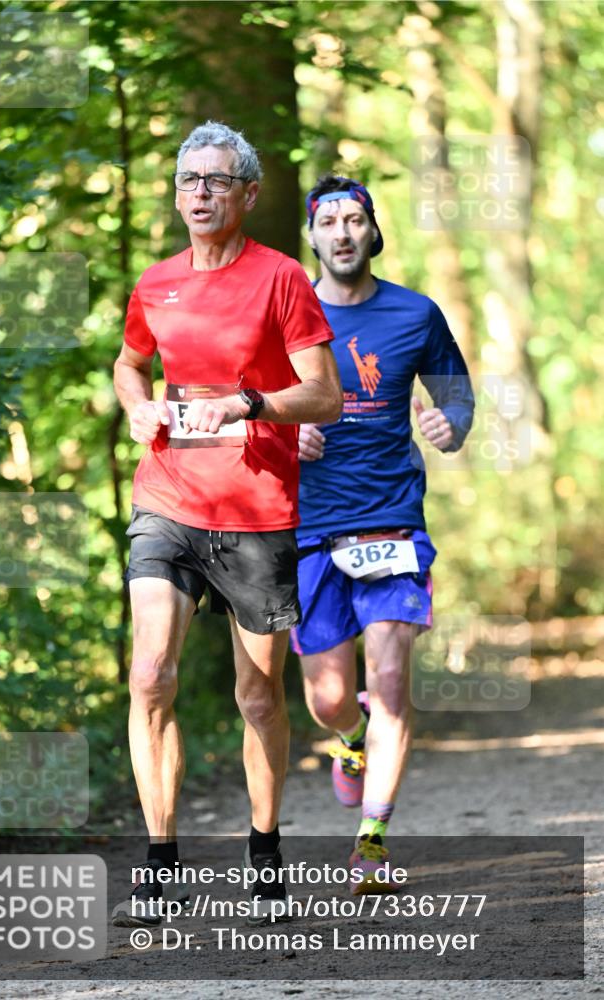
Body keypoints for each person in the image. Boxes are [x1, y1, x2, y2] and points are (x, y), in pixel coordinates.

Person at [110, 124, 341, 927]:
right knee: (149, 677)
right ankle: (161, 863)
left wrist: (249, 403)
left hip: (256, 512)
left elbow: (325, 396)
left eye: (216, 180)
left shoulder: (280, 279)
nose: (199, 192)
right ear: (176, 195)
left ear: (246, 194)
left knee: (256, 695)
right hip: (167, 499)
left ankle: (265, 849)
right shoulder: (156, 282)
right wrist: (140, 408)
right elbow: (129, 360)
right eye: (187, 179)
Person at [292, 174, 474, 893]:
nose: (341, 232)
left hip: (392, 521)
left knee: (390, 678)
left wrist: (448, 425)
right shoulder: (285, 313)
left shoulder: (414, 314)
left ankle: (370, 843)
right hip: (308, 528)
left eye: (354, 219)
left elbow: (454, 394)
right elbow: (248, 406)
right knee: (328, 698)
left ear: (372, 232)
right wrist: (286, 429)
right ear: (310, 236)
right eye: (328, 221)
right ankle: (349, 739)